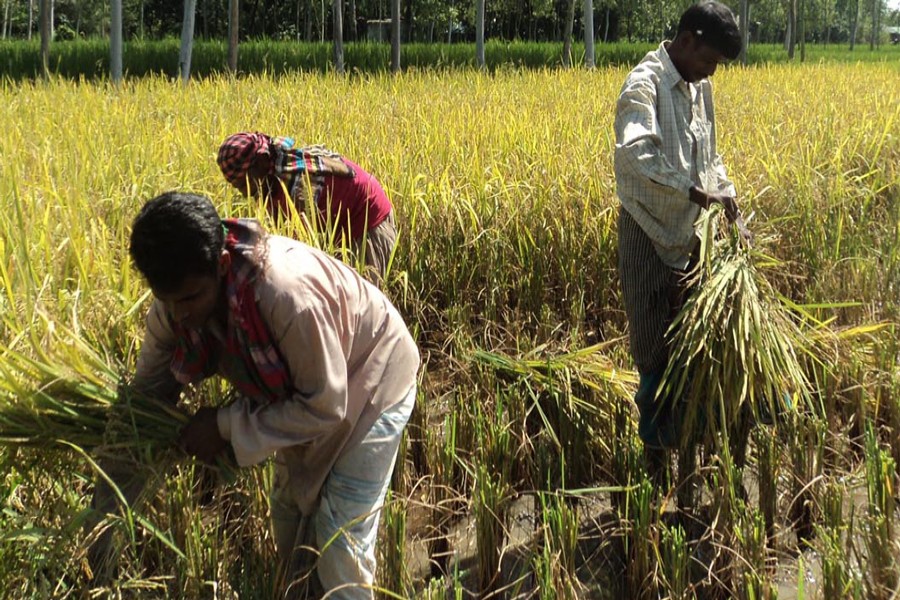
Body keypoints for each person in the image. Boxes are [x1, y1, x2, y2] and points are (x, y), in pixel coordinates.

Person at [93, 191, 419, 598]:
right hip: (307, 386)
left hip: (373, 371)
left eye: (190, 298)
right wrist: (105, 509)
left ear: (222, 265)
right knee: (291, 522)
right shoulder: (174, 311)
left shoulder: (286, 297)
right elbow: (145, 402)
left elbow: (325, 404)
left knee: (340, 542)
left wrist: (224, 425)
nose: (180, 315)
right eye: (168, 301)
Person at [614, 2, 750, 458]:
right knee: (653, 346)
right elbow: (635, 155)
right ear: (687, 40)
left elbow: (710, 157)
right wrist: (698, 195)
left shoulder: (700, 86)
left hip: (693, 235)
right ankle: (654, 452)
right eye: (709, 59)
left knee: (695, 342)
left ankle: (692, 438)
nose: (711, 70)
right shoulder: (644, 84)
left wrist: (727, 201)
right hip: (648, 233)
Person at [217, 132, 396, 283]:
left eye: (244, 185)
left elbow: (301, 255)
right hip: (340, 227)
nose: (245, 193)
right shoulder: (272, 176)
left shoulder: (299, 190)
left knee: (358, 302)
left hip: (369, 224)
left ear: (262, 162)